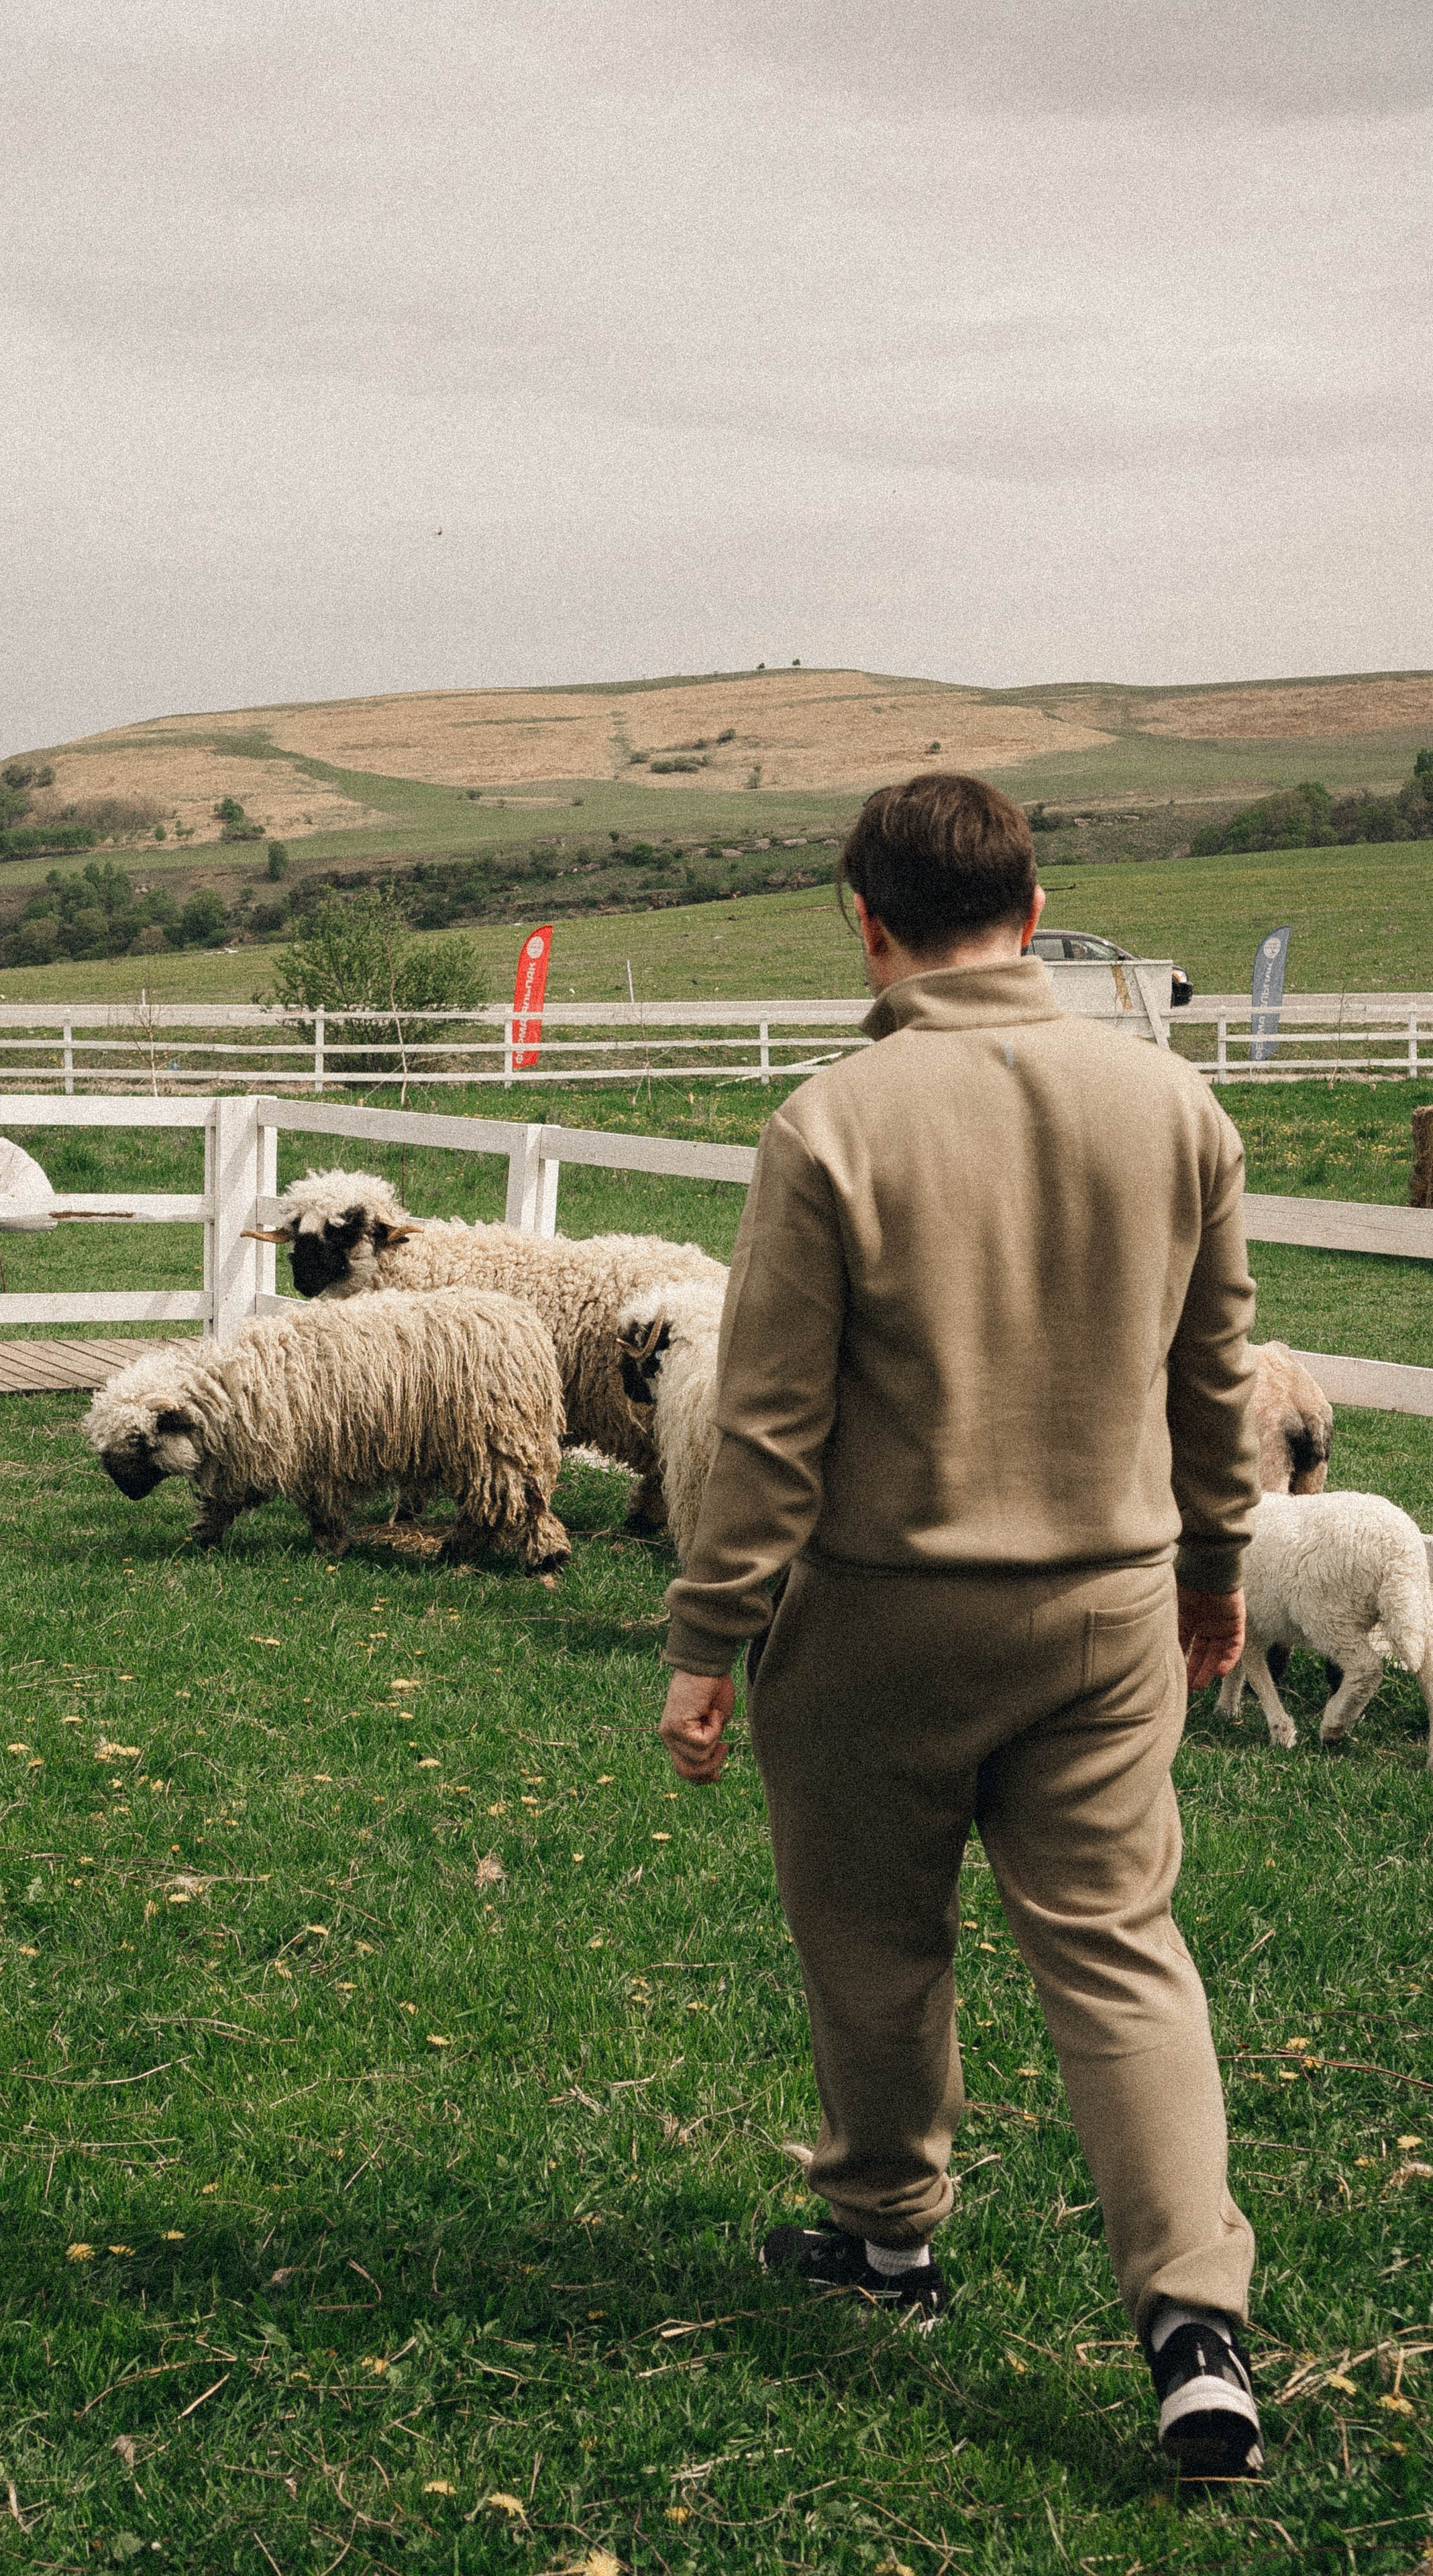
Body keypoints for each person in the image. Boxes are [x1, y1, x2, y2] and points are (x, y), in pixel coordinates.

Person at [657, 773, 1261, 2479]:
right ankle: (1191, 2326)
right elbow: (1211, 1380)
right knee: (1115, 1946)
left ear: (864, 918)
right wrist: (1212, 1563)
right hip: (1108, 1604)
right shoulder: (1171, 1107)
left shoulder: (830, 1123)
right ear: (1032, 893)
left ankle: (886, 2240)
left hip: (881, 1615)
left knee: (875, 1939)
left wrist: (708, 1636)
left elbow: (769, 1428)